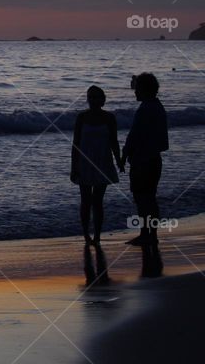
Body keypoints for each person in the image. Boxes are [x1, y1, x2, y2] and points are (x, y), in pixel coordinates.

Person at [120, 72, 168, 246]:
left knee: (142, 198)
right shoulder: (157, 107)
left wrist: (125, 154)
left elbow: (134, 136)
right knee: (149, 198)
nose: (135, 92)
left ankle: (146, 234)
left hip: (143, 161)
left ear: (144, 89)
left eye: (137, 88)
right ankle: (150, 234)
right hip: (153, 159)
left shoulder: (146, 109)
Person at [71, 85, 122, 245]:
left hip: (103, 161)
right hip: (84, 162)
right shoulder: (82, 117)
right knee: (85, 200)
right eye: (90, 97)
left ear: (103, 100)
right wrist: (74, 166)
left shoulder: (109, 118)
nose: (93, 100)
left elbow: (114, 141)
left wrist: (119, 159)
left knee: (98, 200)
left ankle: (98, 236)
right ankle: (86, 235)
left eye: (96, 97)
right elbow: (75, 144)